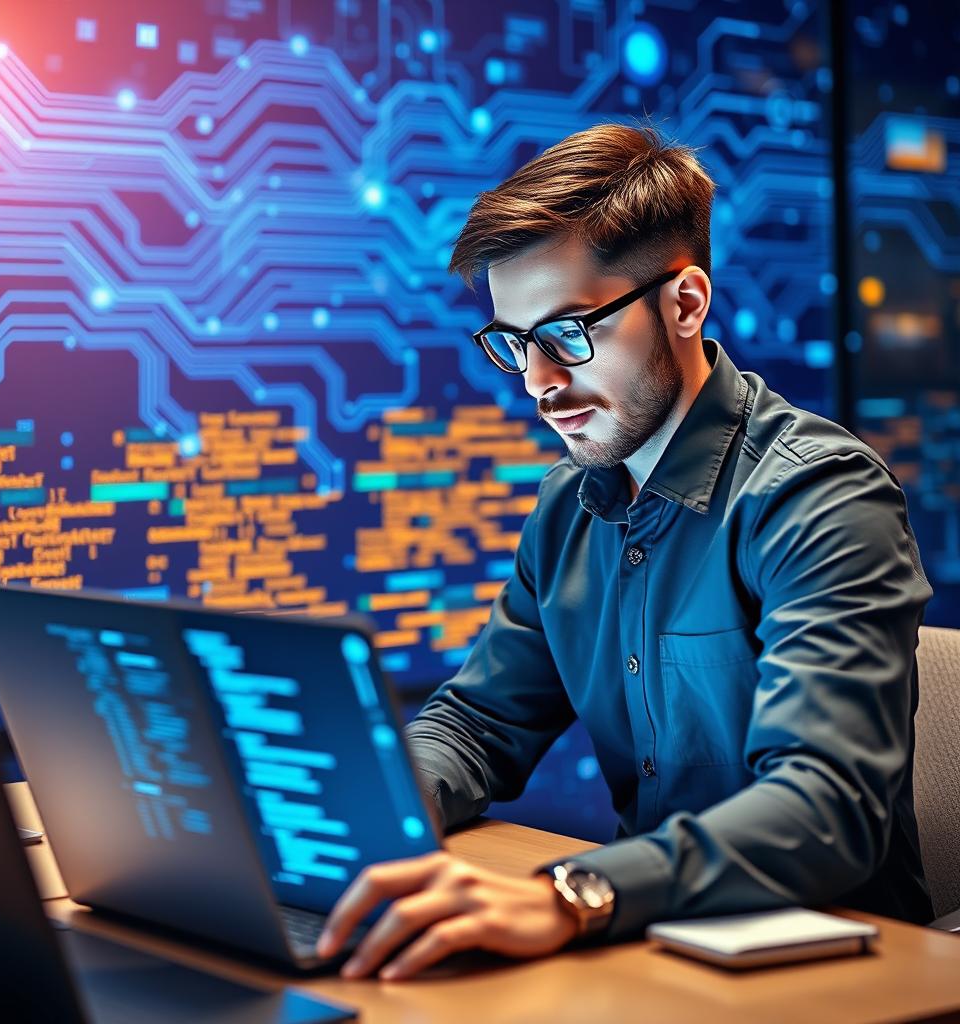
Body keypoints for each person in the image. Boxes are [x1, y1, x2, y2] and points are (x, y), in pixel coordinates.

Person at [315, 122, 933, 980]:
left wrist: (573, 894)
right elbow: (478, 722)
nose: (538, 382)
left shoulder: (819, 497)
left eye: (569, 333)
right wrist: (358, 819)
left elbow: (825, 811)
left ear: (683, 303)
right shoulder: (571, 502)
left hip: (829, 973)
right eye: (514, 343)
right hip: (644, 947)